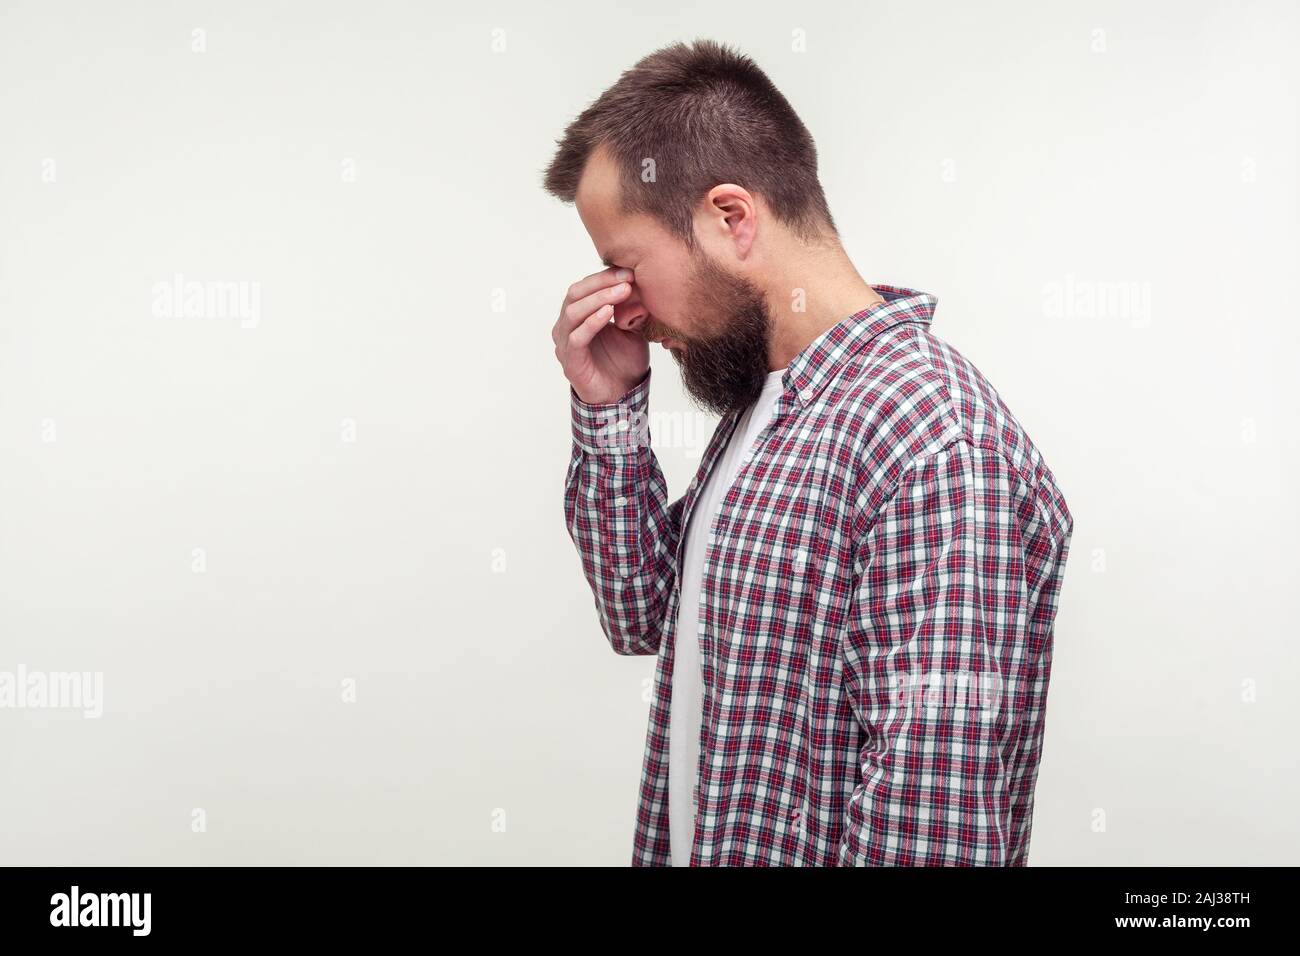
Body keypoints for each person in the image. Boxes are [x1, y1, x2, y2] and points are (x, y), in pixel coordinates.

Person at [543, 39, 1073, 866]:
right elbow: (642, 614)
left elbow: (927, 835)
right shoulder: (771, 404)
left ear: (730, 218)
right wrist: (608, 411)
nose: (626, 308)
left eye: (626, 265)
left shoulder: (931, 438)